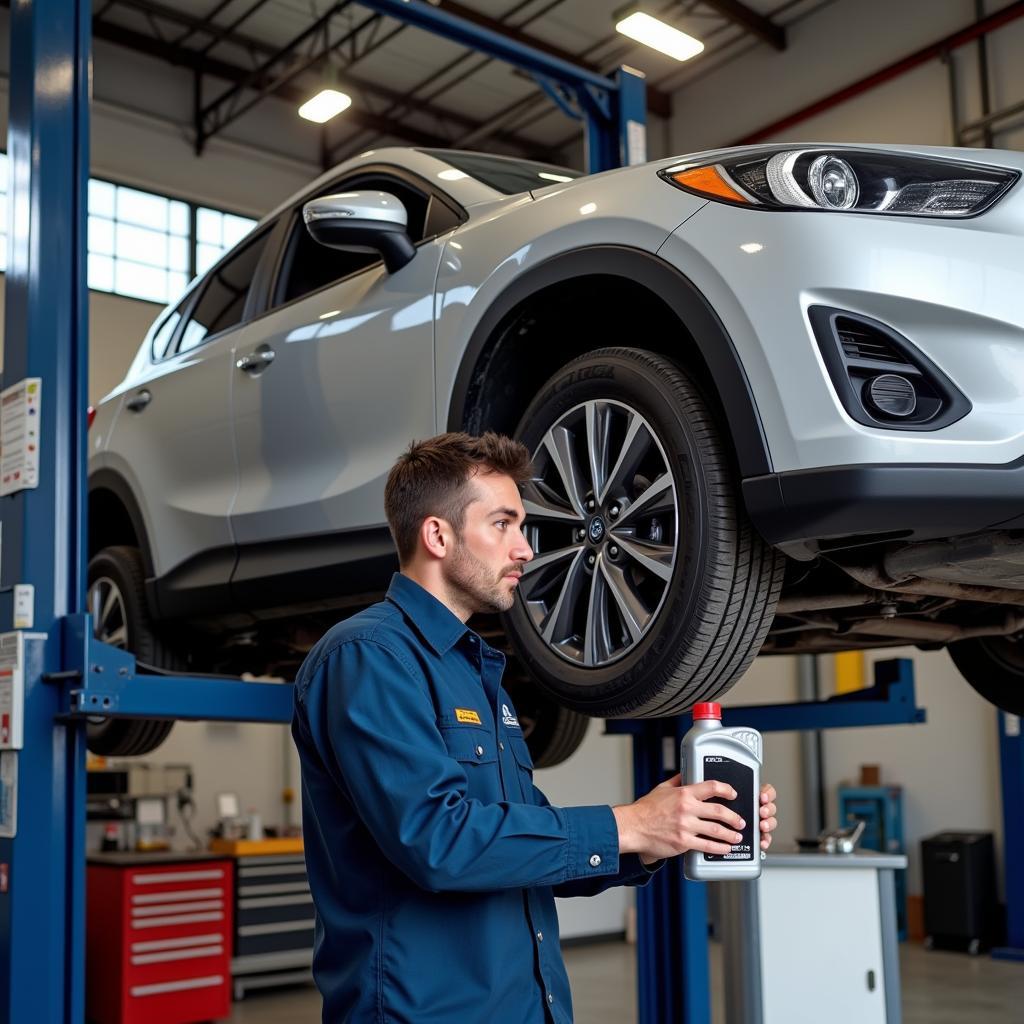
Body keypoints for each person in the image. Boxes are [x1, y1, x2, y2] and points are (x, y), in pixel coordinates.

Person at [292, 431, 778, 1023]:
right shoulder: (367, 657)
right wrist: (626, 826)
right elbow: (438, 843)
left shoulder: (473, 671)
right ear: (437, 535)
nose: (525, 549)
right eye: (503, 524)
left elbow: (517, 848)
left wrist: (660, 831)